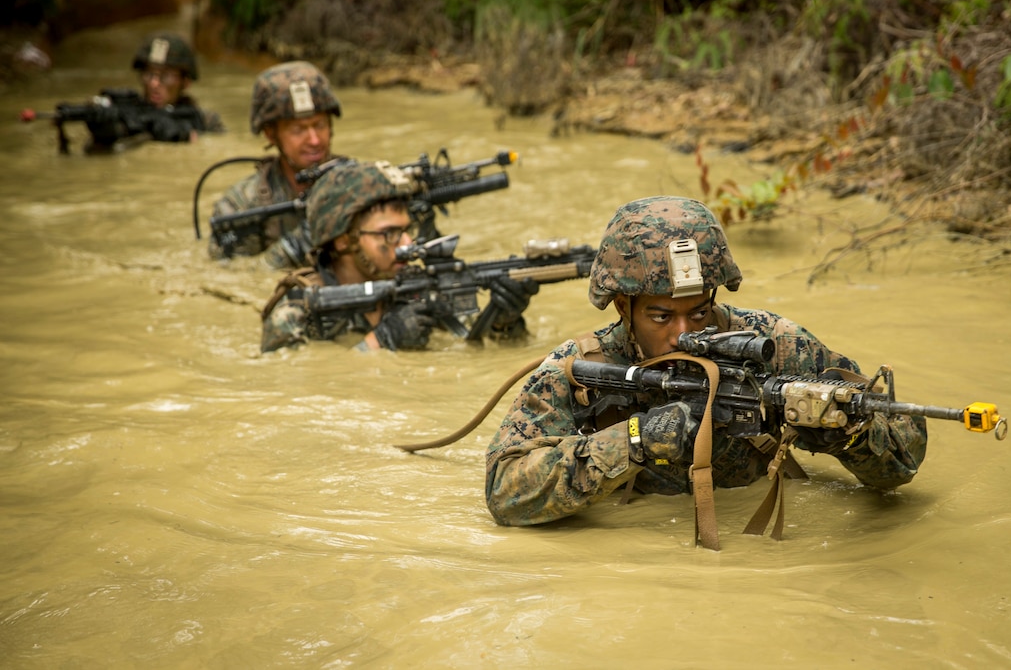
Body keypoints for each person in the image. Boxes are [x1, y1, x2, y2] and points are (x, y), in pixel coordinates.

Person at [485, 195, 928, 533]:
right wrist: (635, 440)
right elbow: (506, 492)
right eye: (660, 316)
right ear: (623, 306)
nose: (682, 333)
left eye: (698, 312)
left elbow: (904, 459)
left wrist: (847, 437)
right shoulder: (581, 369)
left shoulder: (775, 345)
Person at [260, 160, 537, 353]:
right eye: (389, 233)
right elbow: (294, 393)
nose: (407, 243)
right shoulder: (297, 311)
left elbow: (486, 355)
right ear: (343, 240)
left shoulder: (416, 288)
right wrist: (381, 342)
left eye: (407, 230)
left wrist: (503, 320)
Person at [207, 61, 342, 269]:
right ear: (271, 134)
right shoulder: (241, 205)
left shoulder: (358, 182)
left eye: (320, 125)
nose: (314, 140)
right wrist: (297, 245)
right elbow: (228, 277)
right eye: (299, 130)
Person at [83, 32, 221, 150]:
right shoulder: (129, 114)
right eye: (148, 74)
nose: (154, 83)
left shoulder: (204, 120)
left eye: (165, 76)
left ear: (185, 82)